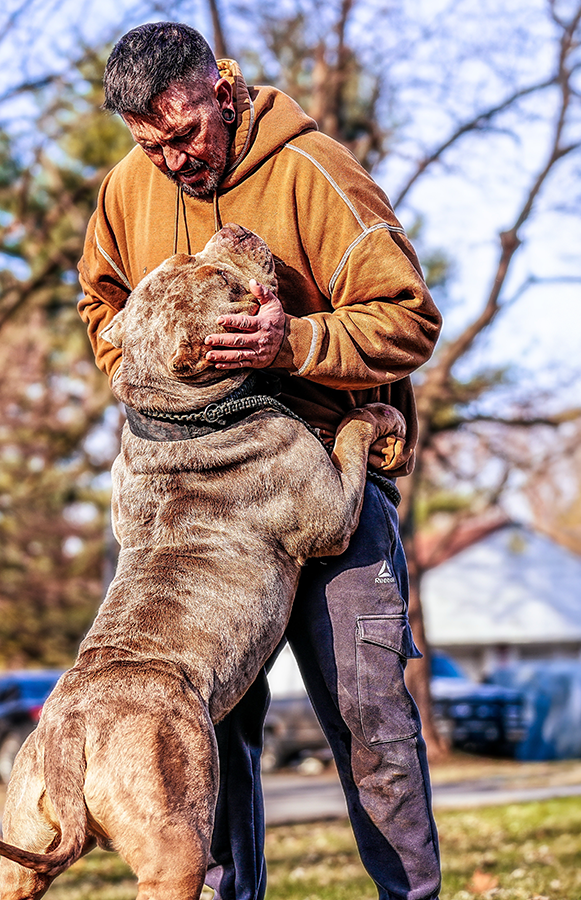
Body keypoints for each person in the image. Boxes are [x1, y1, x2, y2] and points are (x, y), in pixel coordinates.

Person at [76, 21, 443, 900]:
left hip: (321, 480)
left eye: (185, 133)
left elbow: (409, 319)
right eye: (150, 144)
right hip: (193, 504)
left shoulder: (314, 171)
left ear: (224, 91)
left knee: (368, 714)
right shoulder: (126, 190)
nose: (172, 160)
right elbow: (104, 306)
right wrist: (146, 375)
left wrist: (298, 340)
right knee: (202, 731)